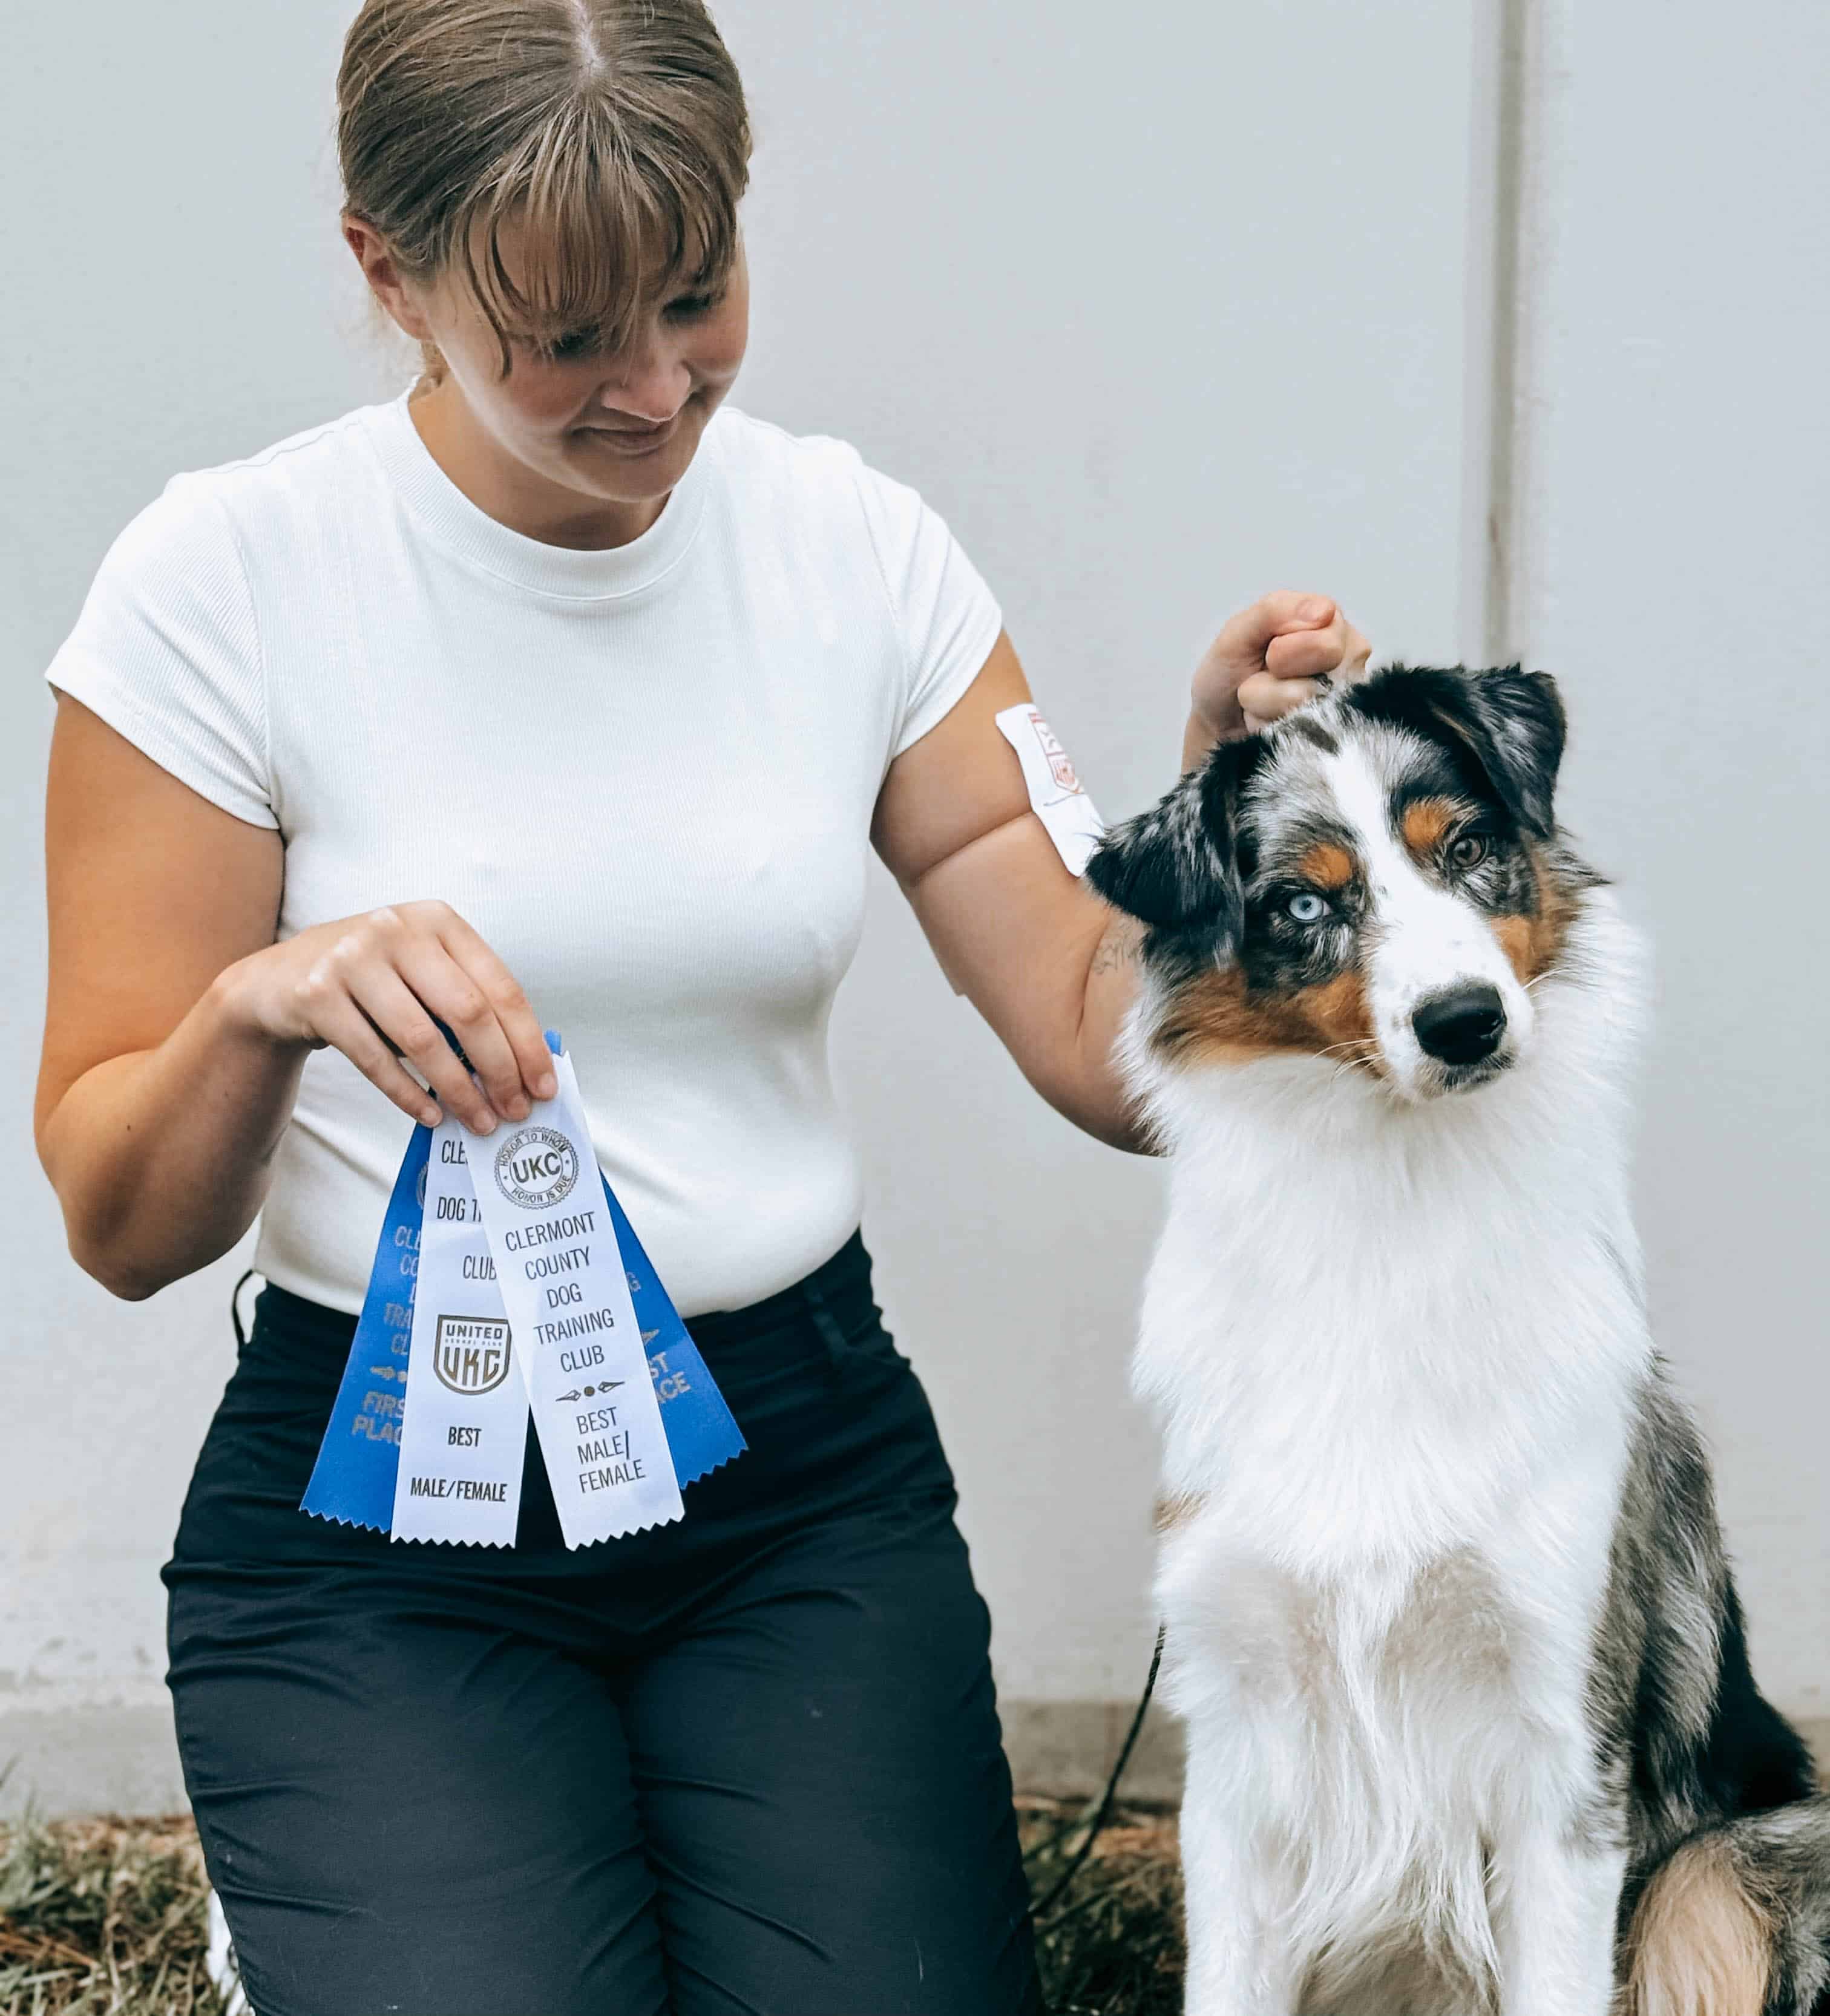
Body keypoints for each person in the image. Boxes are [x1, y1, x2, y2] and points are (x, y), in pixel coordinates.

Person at [33, 2, 1369, 2011]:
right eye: (565, 338)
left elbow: (1110, 1036)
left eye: (697, 294)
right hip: (389, 1499)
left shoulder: (858, 553)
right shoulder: (218, 585)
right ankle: (341, 1876)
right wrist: (265, 1005)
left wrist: (1231, 838)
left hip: (792, 1476)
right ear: (386, 276)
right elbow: (121, 1222)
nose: (656, 389)